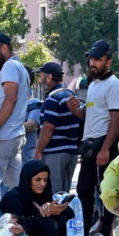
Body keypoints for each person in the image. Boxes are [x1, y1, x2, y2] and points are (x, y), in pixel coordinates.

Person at [66, 40, 119, 236]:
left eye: (98, 59)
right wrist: (75, 110)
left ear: (108, 62)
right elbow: (89, 116)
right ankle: (83, 232)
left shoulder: (114, 85)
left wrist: (105, 149)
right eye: (91, 58)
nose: (93, 63)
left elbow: (116, 119)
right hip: (90, 147)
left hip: (104, 145)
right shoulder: (93, 84)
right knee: (83, 190)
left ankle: (108, 230)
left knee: (106, 192)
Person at [0, 160, 74, 236]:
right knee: (50, 224)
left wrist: (58, 208)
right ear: (28, 179)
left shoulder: (42, 196)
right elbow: (21, 227)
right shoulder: (13, 198)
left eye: (45, 180)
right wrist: (44, 214)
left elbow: (70, 215)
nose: (42, 184)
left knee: (59, 220)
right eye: (37, 179)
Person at [0, 33, 30, 202]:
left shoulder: (10, 67)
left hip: (2, 137)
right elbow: (0, 98)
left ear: (4, 48)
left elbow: (11, 99)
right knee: (15, 186)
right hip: (13, 135)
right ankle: (15, 221)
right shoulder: (17, 67)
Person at [34, 62, 80, 193]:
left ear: (49, 77)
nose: (39, 79)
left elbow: (48, 128)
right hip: (71, 152)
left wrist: (38, 151)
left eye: (41, 76)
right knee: (64, 195)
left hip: (55, 153)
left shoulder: (52, 98)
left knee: (54, 194)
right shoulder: (71, 95)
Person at [21, 65, 43, 166]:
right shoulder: (9, 103)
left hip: (26, 159)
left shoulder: (35, 104)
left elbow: (31, 125)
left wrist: (6, 128)